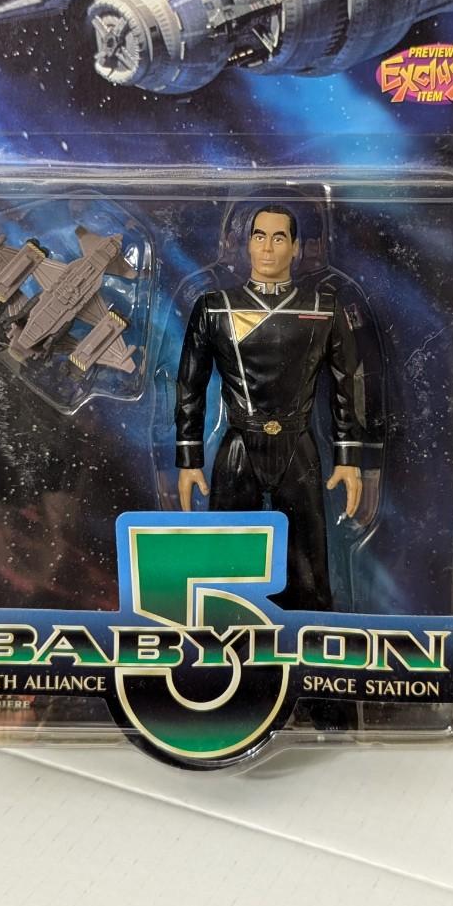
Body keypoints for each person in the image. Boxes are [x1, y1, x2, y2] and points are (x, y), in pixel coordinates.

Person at [175, 206, 366, 609]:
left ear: (296, 248)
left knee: (309, 569)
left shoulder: (324, 308)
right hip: (239, 444)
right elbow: (190, 384)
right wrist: (189, 460)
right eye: (259, 236)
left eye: (279, 238)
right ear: (246, 243)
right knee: (224, 568)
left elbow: (347, 385)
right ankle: (222, 628)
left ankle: (311, 632)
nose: (267, 247)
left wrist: (348, 458)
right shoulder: (214, 307)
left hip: (299, 446)